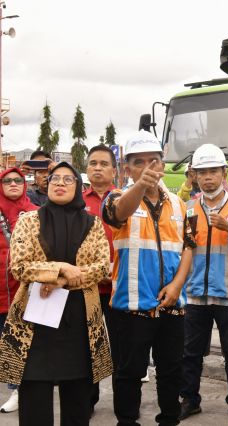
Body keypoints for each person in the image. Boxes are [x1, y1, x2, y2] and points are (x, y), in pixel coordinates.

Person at [0, 162, 112, 425]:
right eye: (55, 179)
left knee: (77, 400)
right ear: (46, 184)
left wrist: (62, 282)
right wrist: (59, 267)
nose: (60, 183)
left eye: (68, 179)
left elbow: (100, 267)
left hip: (79, 320)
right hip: (35, 323)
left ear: (77, 187)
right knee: (34, 399)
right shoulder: (28, 221)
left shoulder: (93, 223)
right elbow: (19, 266)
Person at [102, 130, 195, 426]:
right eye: (138, 162)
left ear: (163, 164)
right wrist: (141, 186)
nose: (146, 167)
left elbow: (189, 247)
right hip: (131, 306)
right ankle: (127, 421)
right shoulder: (117, 197)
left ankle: (169, 419)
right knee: (129, 373)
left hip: (172, 304)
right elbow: (118, 212)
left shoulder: (181, 205)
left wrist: (177, 284)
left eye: (153, 160)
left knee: (171, 371)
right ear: (126, 168)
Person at [179, 144, 228, 422]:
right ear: (194, 175)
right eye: (202, 172)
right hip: (195, 294)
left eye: (213, 171)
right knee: (190, 353)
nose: (207, 177)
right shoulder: (187, 208)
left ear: (223, 172)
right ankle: (189, 399)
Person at [82, 144, 119, 413]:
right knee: (88, 348)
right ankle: (87, 400)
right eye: (93, 163)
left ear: (114, 170)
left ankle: (125, 402)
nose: (97, 167)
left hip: (119, 287)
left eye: (103, 163)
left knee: (123, 347)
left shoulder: (126, 199)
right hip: (87, 287)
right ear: (86, 169)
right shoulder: (77, 201)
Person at [0, 167, 37, 414]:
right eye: (7, 180)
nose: (13, 184)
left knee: (18, 343)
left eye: (18, 180)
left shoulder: (35, 212)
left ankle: (17, 390)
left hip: (23, 290)